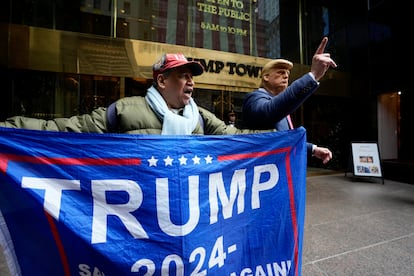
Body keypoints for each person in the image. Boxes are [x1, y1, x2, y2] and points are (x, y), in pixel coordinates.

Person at [0, 53, 268, 136]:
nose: (191, 83)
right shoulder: (125, 110)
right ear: (162, 81)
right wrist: (7, 129)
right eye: (183, 76)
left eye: (192, 77)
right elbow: (64, 129)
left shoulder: (200, 118)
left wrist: (296, 144)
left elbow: (240, 138)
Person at [242, 37, 337, 164]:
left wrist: (313, 149)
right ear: (265, 77)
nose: (286, 76)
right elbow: (268, 112)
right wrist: (313, 75)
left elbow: (284, 138)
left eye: (287, 73)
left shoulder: (278, 103)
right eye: (281, 72)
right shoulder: (254, 98)